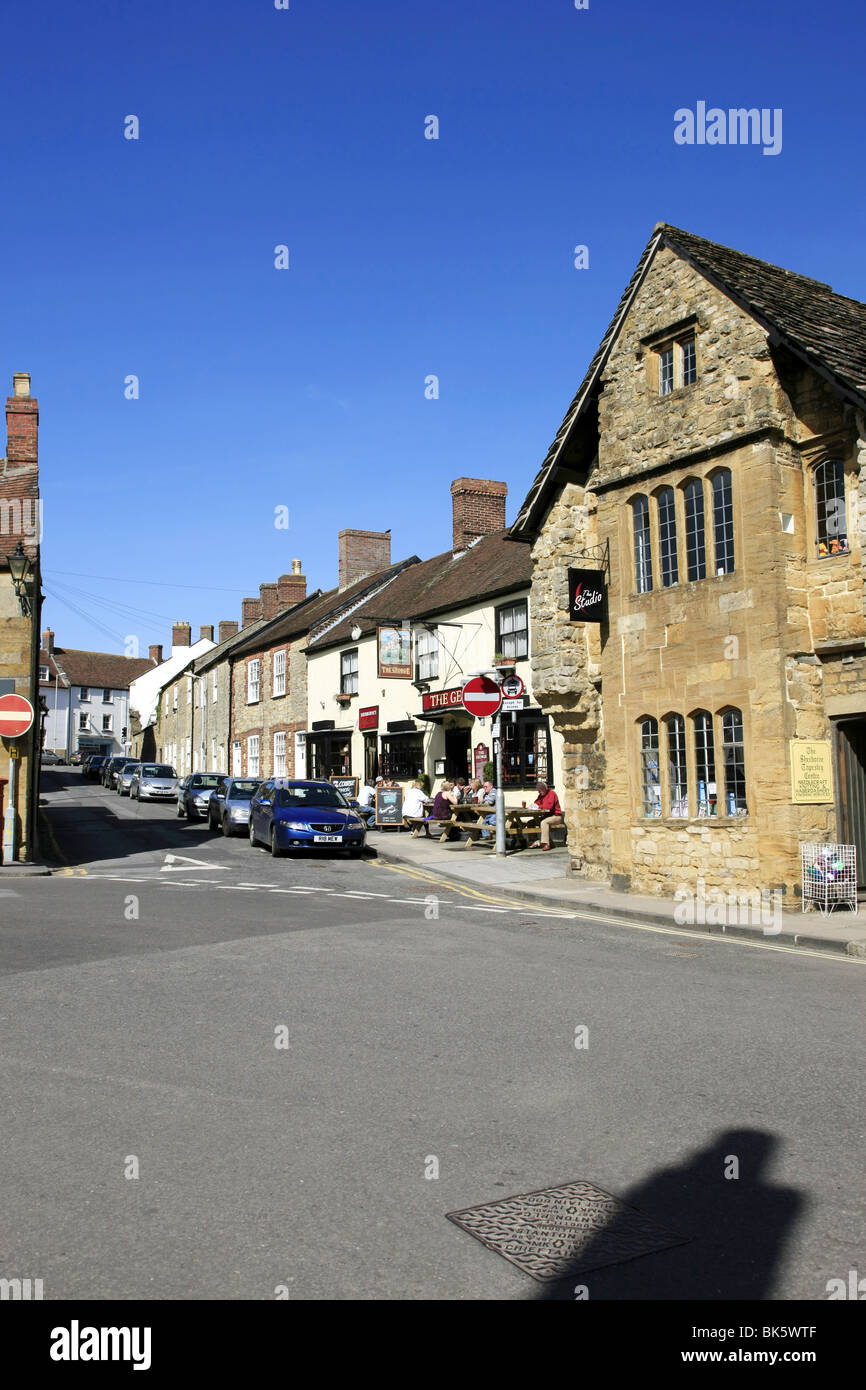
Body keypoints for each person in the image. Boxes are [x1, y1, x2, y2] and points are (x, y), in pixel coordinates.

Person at [532, 780, 563, 850]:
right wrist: (534, 805)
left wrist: (539, 806)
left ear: (543, 789)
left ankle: (546, 843)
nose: (538, 792)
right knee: (530, 822)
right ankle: (534, 840)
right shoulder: (541, 795)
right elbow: (536, 803)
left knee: (544, 822)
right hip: (546, 816)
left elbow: (549, 806)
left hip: (556, 816)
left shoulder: (551, 793)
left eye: (539, 791)